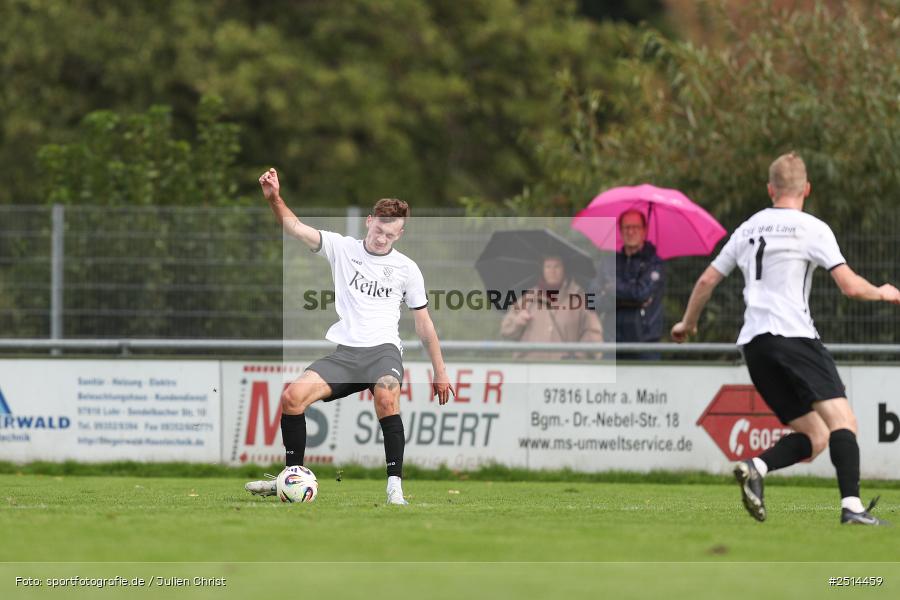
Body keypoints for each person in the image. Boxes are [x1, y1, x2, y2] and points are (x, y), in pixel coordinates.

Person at [671, 152, 900, 525]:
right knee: (845, 422)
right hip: (794, 337)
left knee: (816, 435)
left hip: (756, 347)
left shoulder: (748, 228)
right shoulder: (812, 228)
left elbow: (706, 281)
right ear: (806, 189)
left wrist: (687, 324)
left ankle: (755, 467)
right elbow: (849, 286)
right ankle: (853, 508)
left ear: (770, 189)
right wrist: (883, 292)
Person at [246, 168, 454, 505]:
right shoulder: (342, 248)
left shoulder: (407, 269)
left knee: (386, 396)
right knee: (291, 398)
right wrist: (274, 199)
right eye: (379, 229)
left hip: (383, 352)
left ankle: (394, 488)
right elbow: (294, 228)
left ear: (399, 235)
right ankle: (290, 478)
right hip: (346, 355)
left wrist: (440, 371)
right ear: (369, 221)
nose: (382, 238)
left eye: (391, 234)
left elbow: (424, 324)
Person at [500, 256, 603, 360]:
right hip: (530, 369)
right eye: (547, 266)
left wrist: (578, 356)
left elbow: (592, 332)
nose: (552, 271)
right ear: (542, 270)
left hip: (566, 370)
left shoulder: (580, 299)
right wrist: (517, 322)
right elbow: (506, 331)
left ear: (564, 269)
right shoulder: (528, 297)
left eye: (557, 266)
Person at [592, 210, 665, 356]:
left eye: (635, 227)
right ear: (620, 231)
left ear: (645, 231)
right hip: (613, 344)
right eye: (626, 227)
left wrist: (611, 290)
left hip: (645, 344)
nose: (631, 232)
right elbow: (591, 300)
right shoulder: (608, 263)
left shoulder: (654, 263)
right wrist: (630, 299)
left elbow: (642, 295)